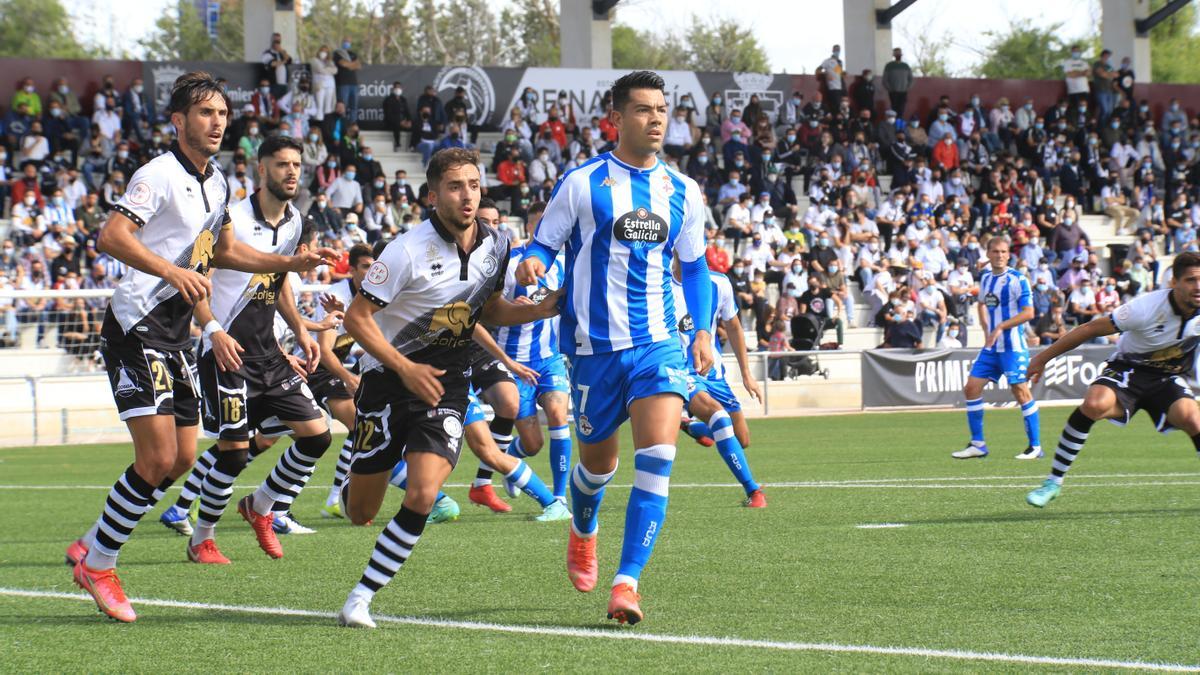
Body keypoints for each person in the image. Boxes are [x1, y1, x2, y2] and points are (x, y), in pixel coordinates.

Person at [64, 72, 330, 623]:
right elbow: (111, 236)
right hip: (137, 326)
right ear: (178, 121)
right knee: (157, 457)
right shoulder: (157, 174)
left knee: (183, 459)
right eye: (205, 113)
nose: (216, 123)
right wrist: (172, 270)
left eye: (223, 115)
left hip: (175, 334)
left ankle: (90, 542)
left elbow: (229, 250)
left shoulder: (216, 184)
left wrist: (290, 264)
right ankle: (100, 563)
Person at [515, 71, 713, 626]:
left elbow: (695, 268)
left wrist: (700, 329)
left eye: (662, 110)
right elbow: (543, 245)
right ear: (616, 118)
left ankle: (627, 583)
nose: (656, 119)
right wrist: (535, 263)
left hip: (657, 346)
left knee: (658, 460)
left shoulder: (684, 191)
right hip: (591, 351)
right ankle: (583, 529)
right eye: (644, 110)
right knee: (597, 469)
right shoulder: (582, 183)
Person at [335, 148, 559, 628]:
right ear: (433, 195)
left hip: (448, 385)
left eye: (474, 185)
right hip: (384, 383)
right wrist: (403, 366)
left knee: (422, 493)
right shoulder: (405, 250)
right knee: (360, 512)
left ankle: (360, 598)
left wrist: (539, 308)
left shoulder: (498, 244)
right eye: (456, 187)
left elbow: (491, 308)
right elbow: (357, 318)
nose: (467, 196)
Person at [184, 135, 334, 563]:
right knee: (233, 454)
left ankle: (260, 506)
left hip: (269, 354)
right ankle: (202, 539)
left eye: (297, 165)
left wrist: (300, 331)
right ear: (261, 169)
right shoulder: (227, 218)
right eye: (282, 164)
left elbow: (280, 278)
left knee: (317, 436)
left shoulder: (295, 222)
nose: (291, 171)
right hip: (227, 354)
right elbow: (194, 277)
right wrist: (212, 329)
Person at [1025, 252, 1200, 508]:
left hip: (1168, 377)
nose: (1198, 287)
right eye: (1191, 280)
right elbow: (1089, 329)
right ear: (1174, 282)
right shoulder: (1145, 308)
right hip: (1129, 369)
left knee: (1192, 418)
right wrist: (1043, 358)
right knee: (1095, 404)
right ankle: (1053, 482)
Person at [487, 202, 578, 506]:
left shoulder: (566, 264)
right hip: (513, 363)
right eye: (541, 226)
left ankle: (558, 496)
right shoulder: (507, 261)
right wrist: (517, 309)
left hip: (548, 357)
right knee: (533, 443)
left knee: (557, 415)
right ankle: (513, 455)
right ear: (529, 227)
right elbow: (487, 312)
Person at [672, 257, 766, 507]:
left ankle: (690, 427)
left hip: (714, 373)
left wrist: (747, 374)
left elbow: (733, 327)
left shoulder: (718, 283)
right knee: (719, 418)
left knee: (741, 439)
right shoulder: (659, 285)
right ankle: (754, 491)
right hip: (682, 373)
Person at [952, 237, 1043, 461]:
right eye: (995, 251)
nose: (1000, 255)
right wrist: (986, 329)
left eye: (1004, 251)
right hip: (992, 348)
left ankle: (1035, 446)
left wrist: (1001, 326)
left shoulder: (1017, 279)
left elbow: (1029, 312)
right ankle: (978, 444)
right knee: (971, 388)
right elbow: (982, 302)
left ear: (1008, 254)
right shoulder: (986, 278)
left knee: (1020, 391)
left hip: (1013, 346)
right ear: (988, 254)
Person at [333, 38, 361, 124]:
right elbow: (342, 63)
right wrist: (352, 65)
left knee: (354, 106)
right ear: (342, 42)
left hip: (354, 83)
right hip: (343, 83)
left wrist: (349, 65)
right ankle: (342, 125)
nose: (347, 43)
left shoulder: (353, 54)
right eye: (345, 41)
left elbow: (358, 66)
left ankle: (353, 124)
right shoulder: (338, 53)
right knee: (342, 106)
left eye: (348, 41)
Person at [310, 45, 338, 120]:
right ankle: (319, 122)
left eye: (326, 51)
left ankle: (327, 123)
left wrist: (326, 69)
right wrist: (329, 70)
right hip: (320, 85)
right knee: (319, 105)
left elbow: (335, 70)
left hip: (330, 85)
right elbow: (320, 70)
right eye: (322, 51)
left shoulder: (330, 61)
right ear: (319, 51)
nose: (324, 53)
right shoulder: (314, 60)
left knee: (328, 106)